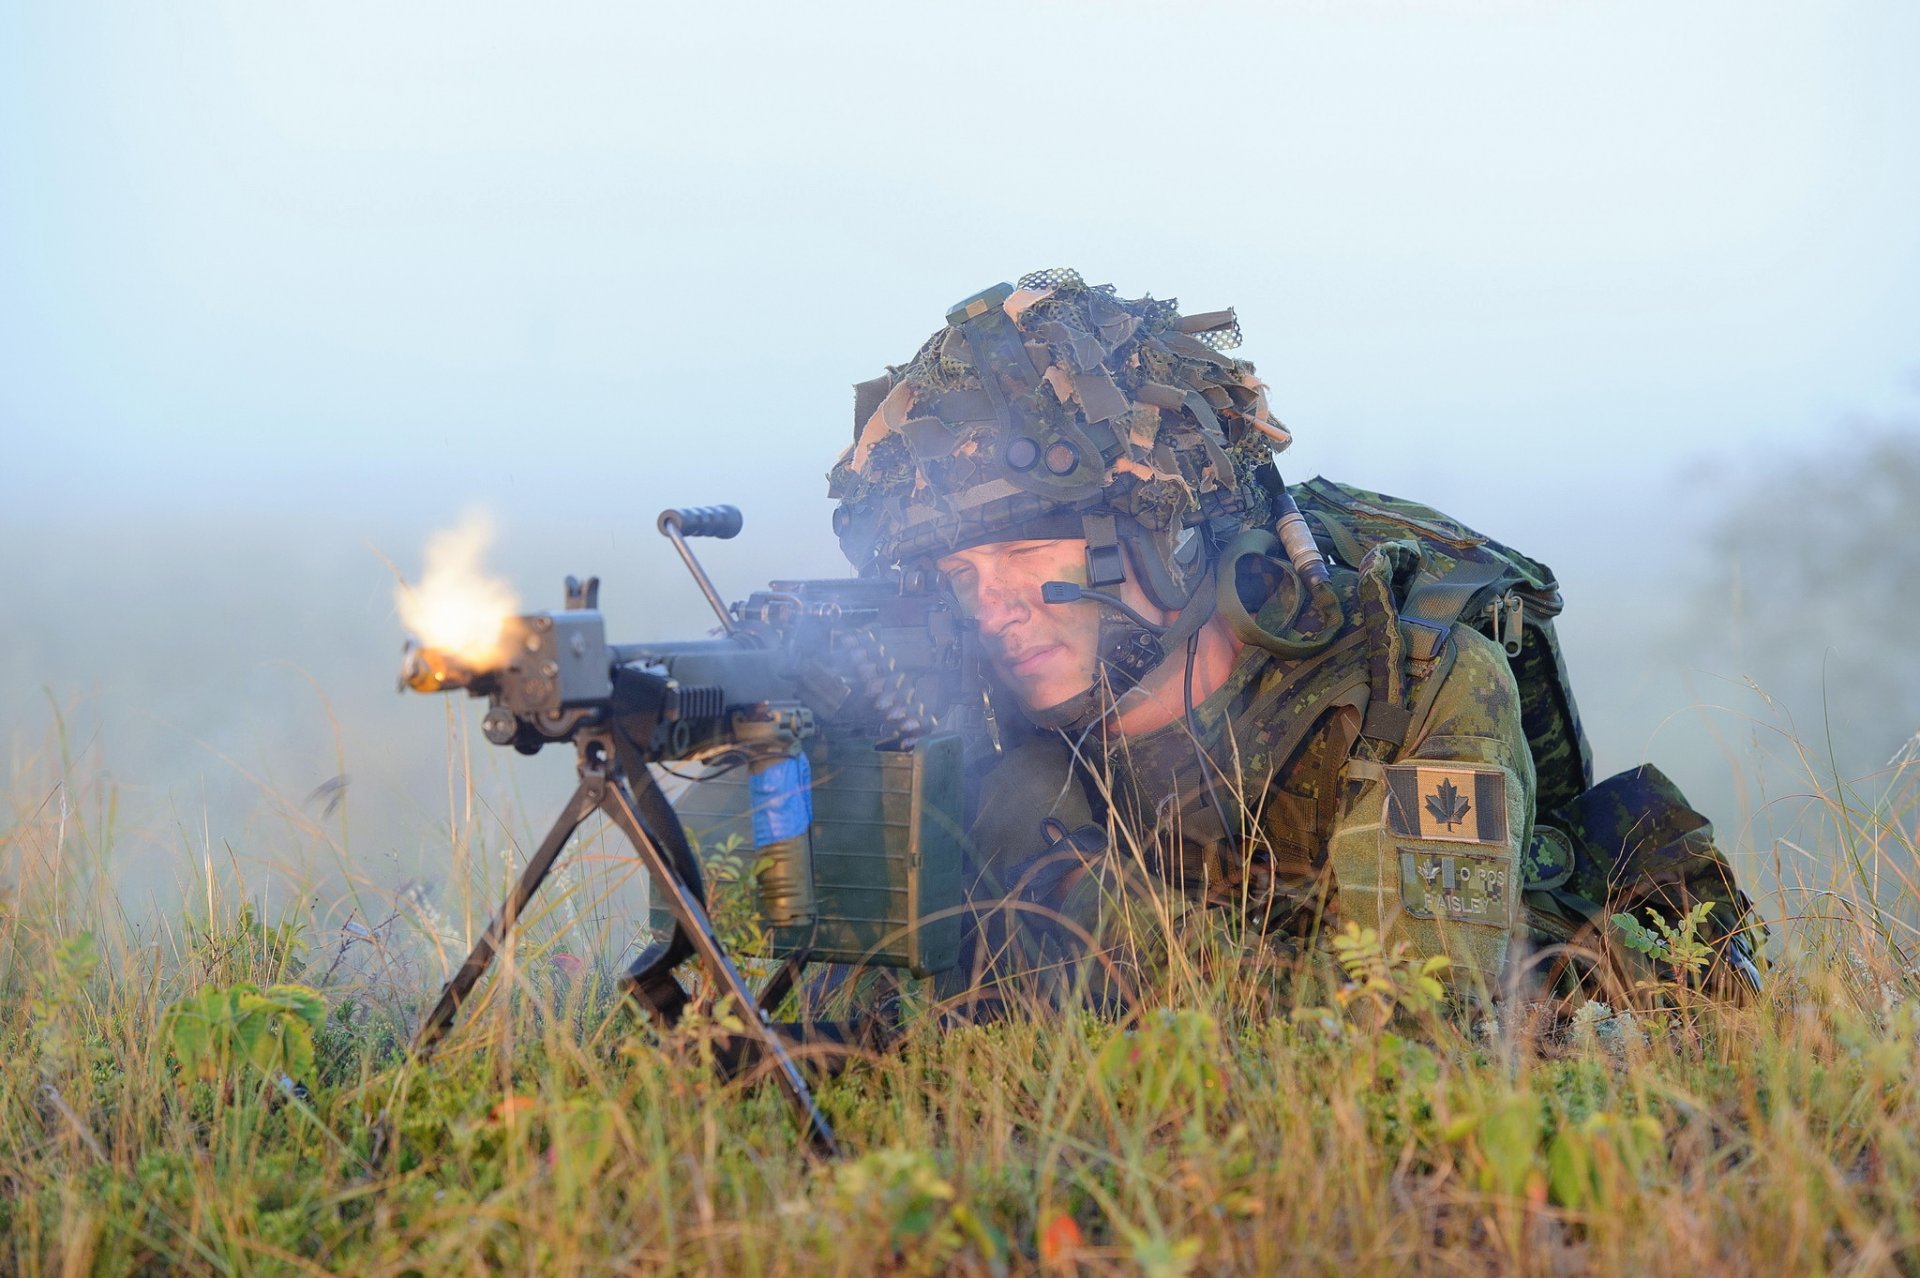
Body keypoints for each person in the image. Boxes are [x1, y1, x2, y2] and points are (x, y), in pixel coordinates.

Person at [827, 269, 1761, 1016]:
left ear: (1161, 533)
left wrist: (1088, 923)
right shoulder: (990, 715)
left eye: (1026, 555)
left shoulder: (1406, 687)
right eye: (960, 577)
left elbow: (1419, 1029)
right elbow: (860, 1020)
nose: (993, 607)